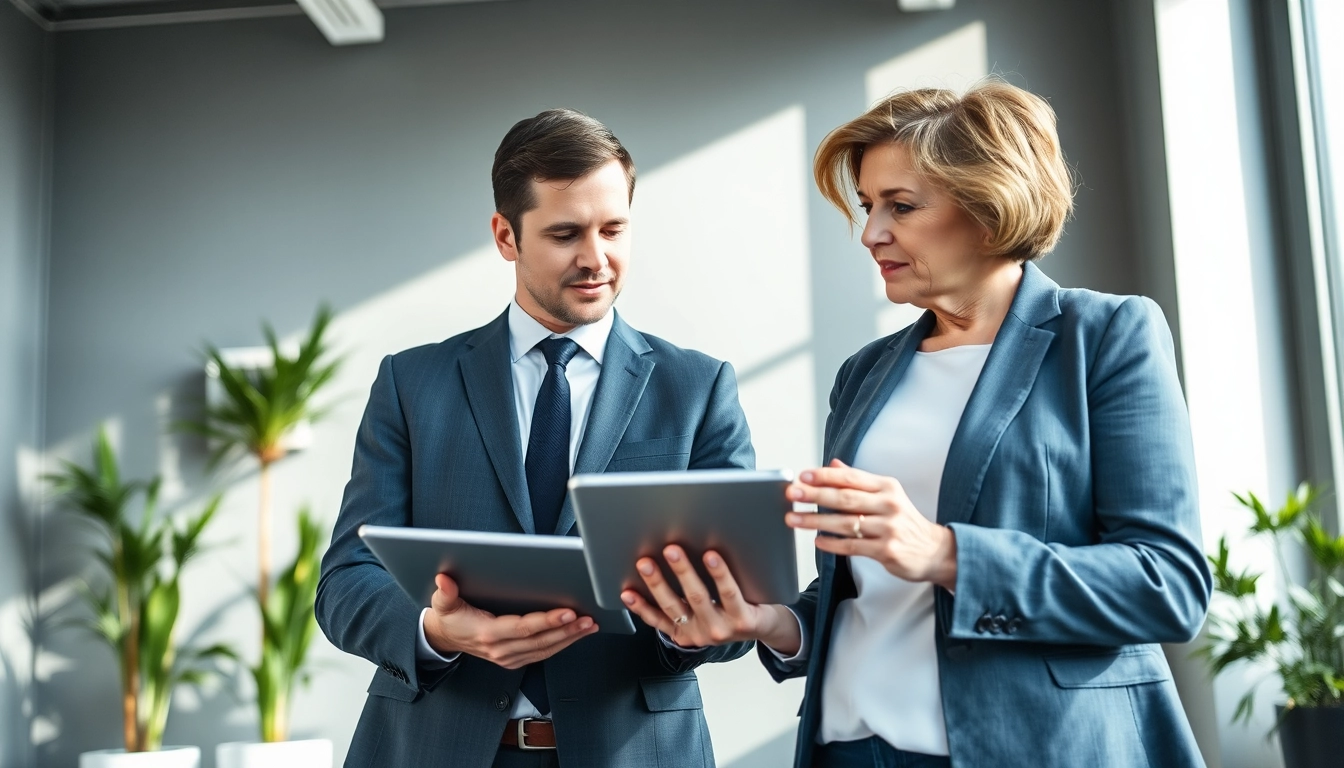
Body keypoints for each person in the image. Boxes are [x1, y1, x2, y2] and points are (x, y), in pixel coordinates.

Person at [619, 80, 1212, 768]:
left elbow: (1166, 583)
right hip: (852, 747)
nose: (871, 232)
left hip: (1033, 746)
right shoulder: (864, 374)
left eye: (900, 206)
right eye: (868, 206)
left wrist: (944, 554)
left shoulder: (1106, 336)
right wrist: (773, 625)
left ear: (990, 206)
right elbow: (863, 593)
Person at [316, 108, 755, 768]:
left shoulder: (696, 388)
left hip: (631, 752)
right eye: (564, 234)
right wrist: (435, 632)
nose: (595, 258)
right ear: (505, 236)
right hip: (435, 747)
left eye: (613, 229)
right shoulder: (413, 383)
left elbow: (741, 602)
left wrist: (693, 623)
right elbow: (347, 581)